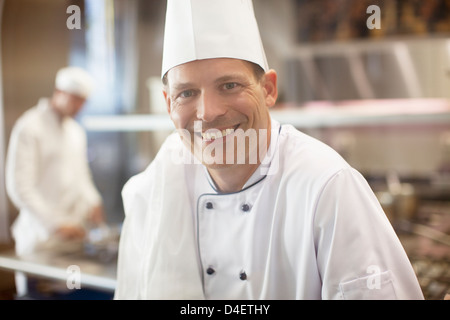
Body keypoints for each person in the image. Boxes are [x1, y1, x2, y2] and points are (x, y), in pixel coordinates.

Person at [114, 0, 424, 300]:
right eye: (187, 93)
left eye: (229, 85)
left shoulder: (327, 186)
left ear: (269, 89)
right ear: (169, 105)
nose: (207, 112)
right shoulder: (154, 189)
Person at [6, 66, 104, 296]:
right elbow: (20, 186)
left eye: (84, 101)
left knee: (68, 293)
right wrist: (55, 224)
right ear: (58, 92)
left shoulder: (75, 132)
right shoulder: (29, 127)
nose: (80, 107)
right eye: (76, 100)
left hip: (71, 242)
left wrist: (94, 202)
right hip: (40, 238)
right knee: (38, 294)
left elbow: (81, 176)